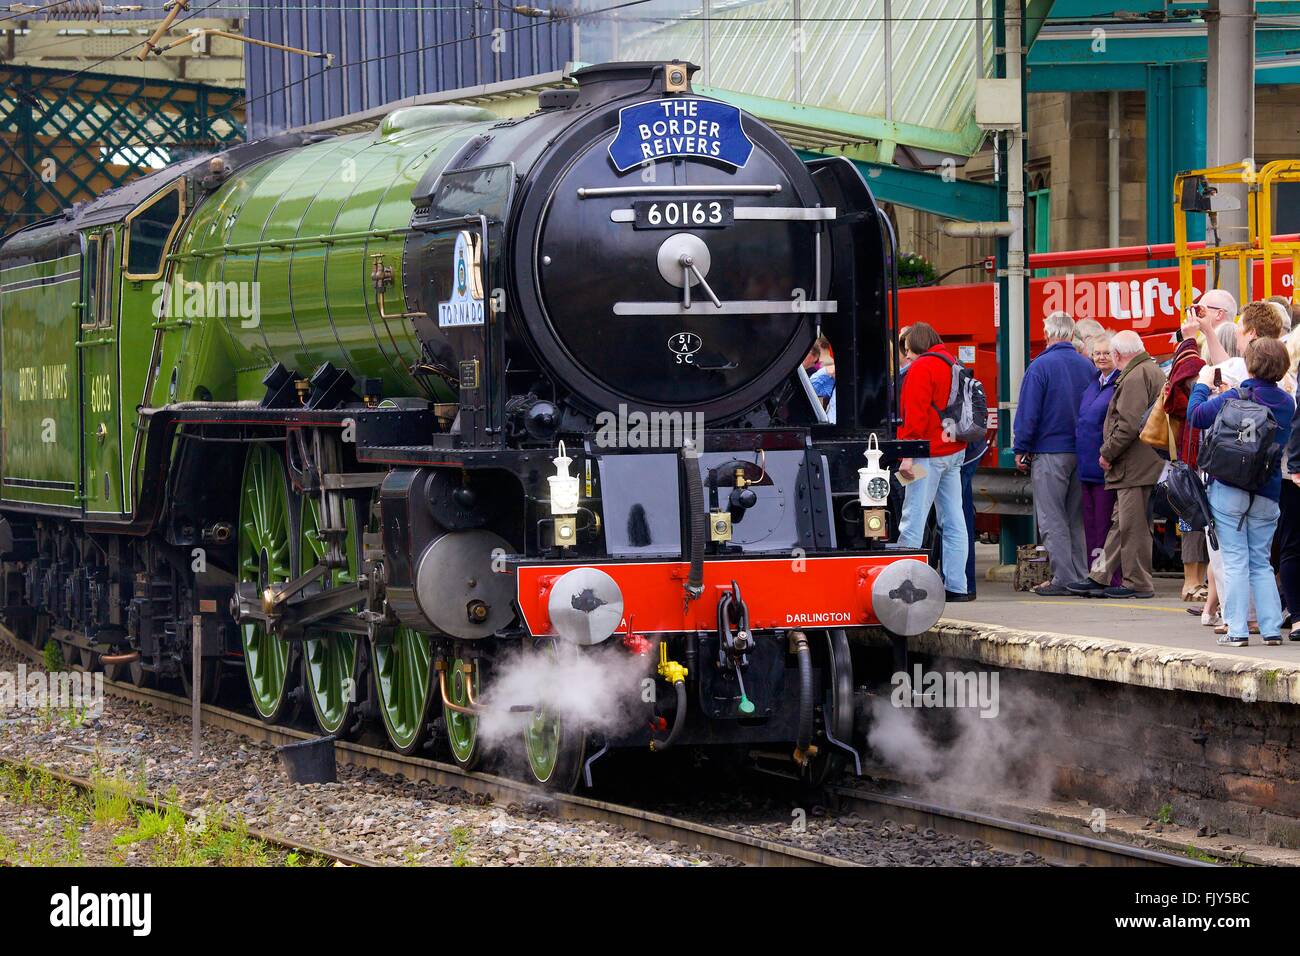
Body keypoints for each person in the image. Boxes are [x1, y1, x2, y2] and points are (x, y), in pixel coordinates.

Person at [1188, 338, 1295, 646]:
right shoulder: (1288, 403)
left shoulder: (1234, 396)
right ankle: (1272, 629)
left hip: (1229, 487)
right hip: (1268, 488)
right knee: (1261, 561)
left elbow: (1197, 416)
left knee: (1235, 560)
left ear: (1249, 364)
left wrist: (1202, 384)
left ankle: (1236, 630)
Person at [1066, 330, 1167, 599]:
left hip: (1134, 464)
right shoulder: (1149, 370)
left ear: (1118, 354)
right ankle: (1099, 576)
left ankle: (1137, 582)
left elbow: (1128, 424)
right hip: (1142, 462)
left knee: (1130, 525)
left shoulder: (1134, 376)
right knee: (1120, 523)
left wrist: (1107, 452)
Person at [1011, 311, 1097, 595]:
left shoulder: (1040, 367)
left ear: (1047, 334)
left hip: (1050, 452)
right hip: (1081, 452)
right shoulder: (1088, 366)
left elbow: (1028, 413)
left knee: (1050, 517)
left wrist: (1021, 447)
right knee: (1074, 518)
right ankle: (1080, 575)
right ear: (1072, 335)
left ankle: (1063, 578)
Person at [895, 322, 970, 601]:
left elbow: (915, 414)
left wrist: (907, 453)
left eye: (907, 351)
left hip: (925, 453)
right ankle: (957, 586)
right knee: (953, 520)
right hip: (954, 451)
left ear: (915, 345)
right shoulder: (952, 361)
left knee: (912, 518)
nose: (907, 357)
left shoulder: (922, 367)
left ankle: (906, 584)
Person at [1165, 316, 1209, 602]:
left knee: (1200, 521)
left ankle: (1199, 581)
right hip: (1192, 457)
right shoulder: (1197, 372)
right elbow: (1185, 371)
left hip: (1195, 454)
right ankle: (1191, 582)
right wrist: (1191, 339)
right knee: (1192, 519)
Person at [1075, 334, 1121, 585]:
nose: (1101, 357)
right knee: (1091, 525)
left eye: (1106, 353)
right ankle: (1094, 574)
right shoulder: (1094, 383)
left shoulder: (1116, 385)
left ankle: (1109, 578)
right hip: (1086, 465)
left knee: (1104, 526)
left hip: (1105, 466)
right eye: (1097, 353)